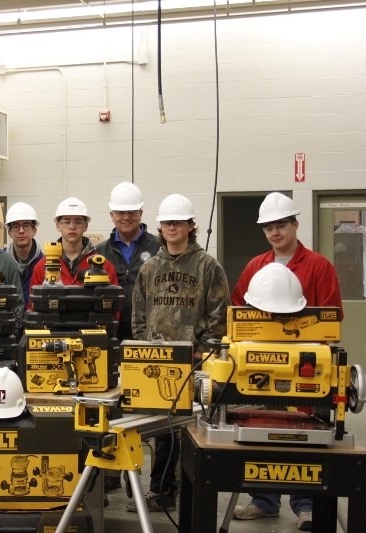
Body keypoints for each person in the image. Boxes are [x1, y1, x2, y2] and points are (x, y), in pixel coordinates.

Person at [231, 192, 343, 532]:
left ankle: (305, 505)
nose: (275, 232)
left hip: (304, 366)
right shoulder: (256, 267)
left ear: (295, 224)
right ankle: (263, 501)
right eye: (269, 227)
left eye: (281, 224)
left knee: (303, 435)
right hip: (260, 366)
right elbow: (238, 312)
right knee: (259, 428)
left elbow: (332, 317)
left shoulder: (319, 266)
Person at [130, 193, 229, 512]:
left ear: (190, 226)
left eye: (178, 222)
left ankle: (193, 494)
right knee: (163, 432)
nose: (172, 227)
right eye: (167, 223)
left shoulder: (208, 266)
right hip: (157, 362)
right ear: (160, 227)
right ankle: (161, 492)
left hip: (194, 361)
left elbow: (219, 313)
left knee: (194, 432)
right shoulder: (150, 268)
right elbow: (138, 313)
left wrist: (204, 351)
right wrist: (146, 349)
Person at [96, 182, 162, 341]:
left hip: (150, 335)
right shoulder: (99, 253)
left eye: (132, 212)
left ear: (141, 213)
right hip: (111, 335)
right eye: (120, 212)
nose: (126, 217)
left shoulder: (159, 248)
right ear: (111, 215)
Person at [29, 197, 119, 289]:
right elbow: (33, 303)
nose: (72, 227)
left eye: (78, 222)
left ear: (86, 226)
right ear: (57, 226)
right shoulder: (42, 267)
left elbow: (114, 301)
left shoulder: (103, 266)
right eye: (67, 222)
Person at [3, 202, 43, 307]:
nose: (21, 231)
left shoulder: (45, 264)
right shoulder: (0, 264)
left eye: (26, 225)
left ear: (34, 230)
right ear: (9, 232)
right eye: (16, 226)